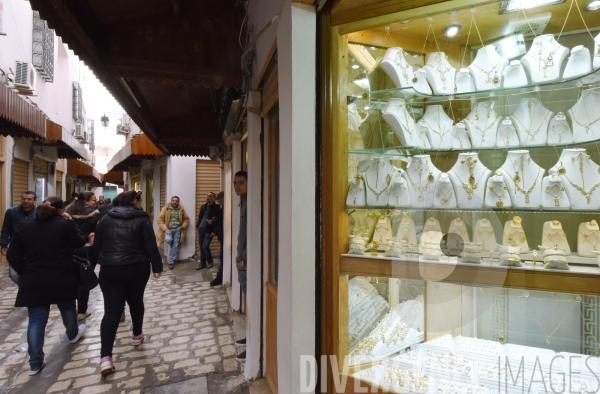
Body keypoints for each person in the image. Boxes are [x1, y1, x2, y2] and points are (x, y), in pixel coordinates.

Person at [7, 200, 88, 375]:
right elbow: (79, 242)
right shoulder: (64, 225)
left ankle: (35, 363)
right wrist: (70, 221)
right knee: (67, 308)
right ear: (58, 212)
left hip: (34, 279)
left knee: (36, 320)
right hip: (62, 276)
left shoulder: (24, 227)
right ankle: (73, 334)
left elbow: (13, 255)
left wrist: (25, 271)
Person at [93, 191, 163, 375]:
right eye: (140, 200)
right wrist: (157, 266)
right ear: (134, 201)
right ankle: (137, 335)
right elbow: (150, 244)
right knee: (136, 300)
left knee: (111, 312)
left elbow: (97, 246)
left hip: (110, 270)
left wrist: (92, 267)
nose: (141, 203)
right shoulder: (141, 218)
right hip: (136, 268)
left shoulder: (105, 219)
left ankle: (105, 358)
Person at [65, 192, 100, 321]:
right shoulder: (94, 214)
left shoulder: (69, 212)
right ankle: (82, 310)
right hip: (88, 249)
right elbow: (98, 230)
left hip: (71, 249)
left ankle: (69, 308)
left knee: (72, 277)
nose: (95, 202)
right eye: (93, 200)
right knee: (84, 278)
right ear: (85, 201)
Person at [234, 171, 247, 360]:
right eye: (235, 183)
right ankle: (251, 337)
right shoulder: (243, 201)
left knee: (252, 301)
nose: (237, 186)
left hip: (246, 261)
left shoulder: (251, 202)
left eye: (241, 182)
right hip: (242, 259)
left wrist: (243, 258)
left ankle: (254, 342)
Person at [156, 196, 190, 270]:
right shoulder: (165, 209)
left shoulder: (181, 209)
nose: (175, 202)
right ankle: (172, 254)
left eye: (176, 201)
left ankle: (171, 262)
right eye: (173, 200)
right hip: (168, 229)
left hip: (177, 229)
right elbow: (160, 220)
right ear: (171, 201)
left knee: (175, 245)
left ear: (178, 202)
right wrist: (166, 229)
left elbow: (186, 219)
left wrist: (182, 227)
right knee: (169, 240)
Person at [0, 191, 37, 256]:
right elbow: (6, 229)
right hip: (15, 245)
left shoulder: (39, 212)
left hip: (34, 246)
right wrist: (4, 245)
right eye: (23, 199)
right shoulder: (11, 211)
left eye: (29, 199)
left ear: (35, 200)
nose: (26, 201)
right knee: (14, 265)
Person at [196, 192, 220, 270]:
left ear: (214, 198)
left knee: (205, 246)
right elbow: (200, 217)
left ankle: (210, 261)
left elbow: (217, 221)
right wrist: (198, 225)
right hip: (201, 229)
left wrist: (214, 231)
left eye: (210, 196)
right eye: (207, 196)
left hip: (209, 230)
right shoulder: (203, 206)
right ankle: (202, 263)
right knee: (201, 247)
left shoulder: (217, 207)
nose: (208, 198)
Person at [210, 191, 225, 286]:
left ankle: (220, 277)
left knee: (223, 257)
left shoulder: (225, 209)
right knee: (221, 257)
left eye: (219, 199)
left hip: (224, 236)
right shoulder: (222, 208)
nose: (218, 201)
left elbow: (222, 222)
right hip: (221, 235)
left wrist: (214, 222)